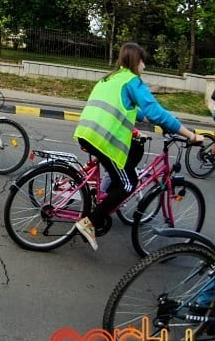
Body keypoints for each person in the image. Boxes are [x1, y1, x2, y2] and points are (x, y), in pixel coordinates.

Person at [73, 42, 203, 250]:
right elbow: (155, 112)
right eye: (143, 61)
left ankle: (103, 203)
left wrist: (166, 122)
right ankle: (89, 222)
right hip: (102, 139)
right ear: (136, 61)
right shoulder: (133, 81)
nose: (145, 66)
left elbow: (135, 112)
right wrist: (190, 134)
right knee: (127, 184)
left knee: (121, 173)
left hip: (86, 132)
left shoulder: (111, 78)